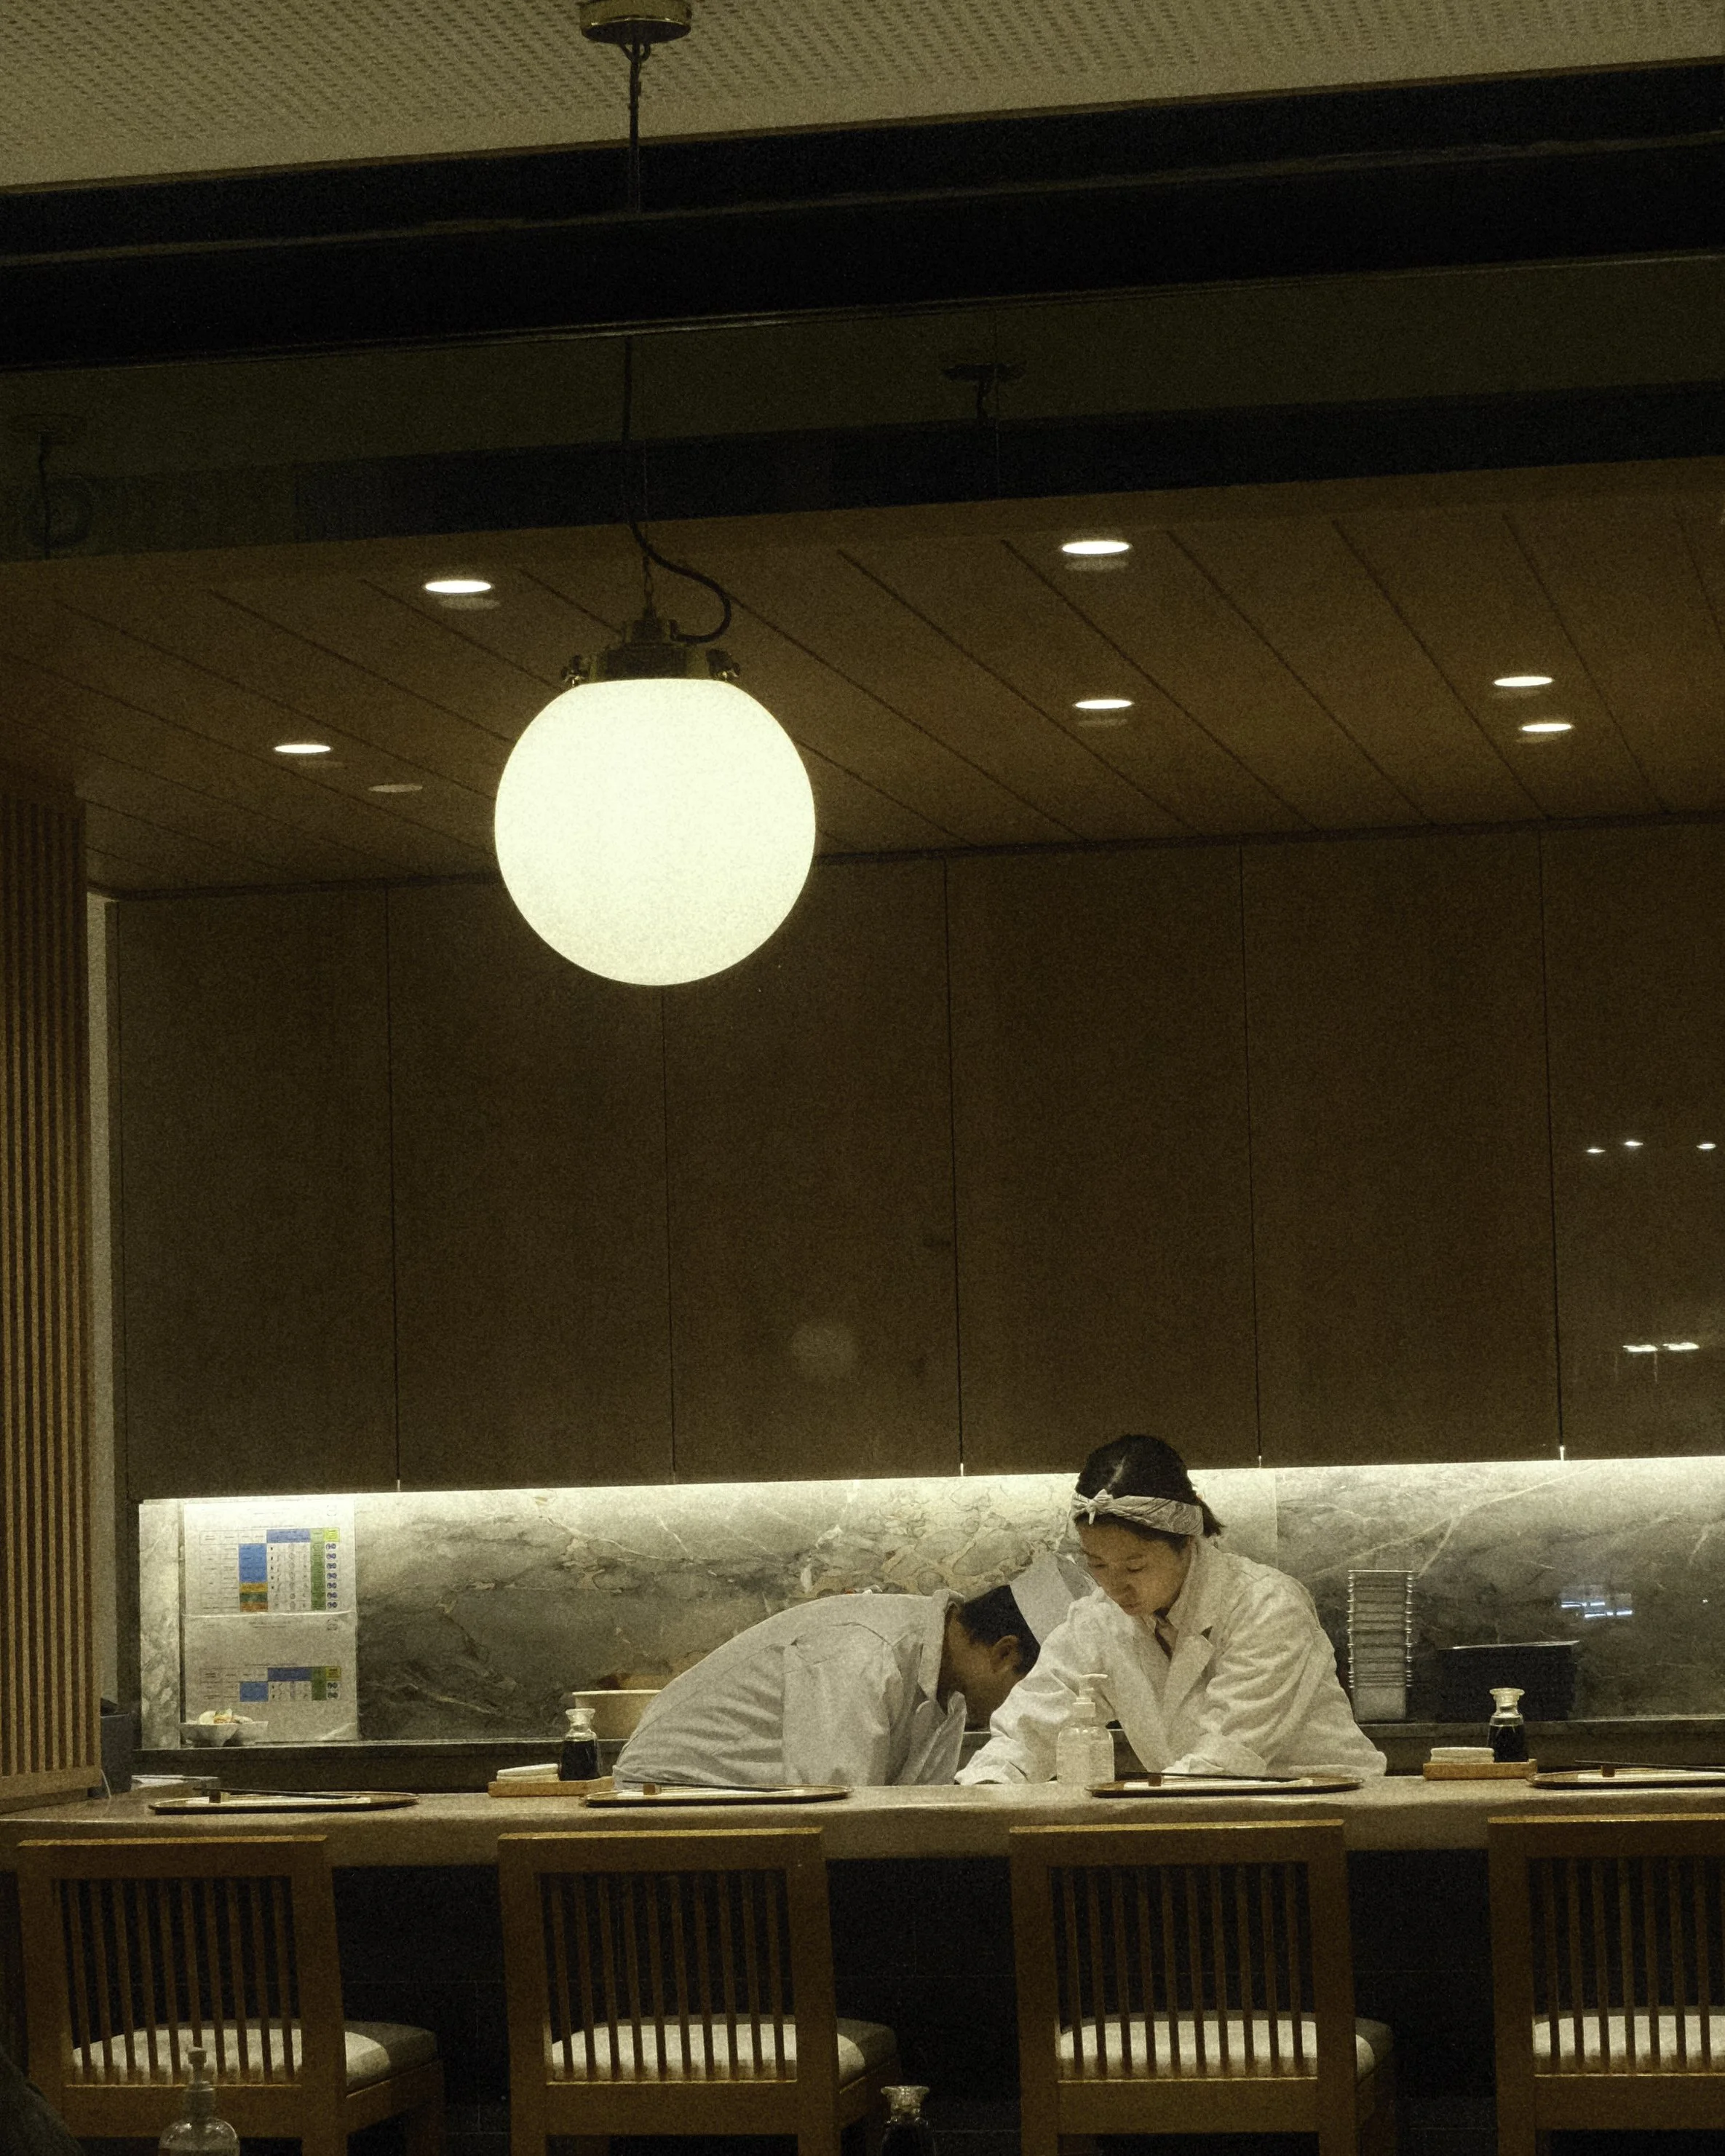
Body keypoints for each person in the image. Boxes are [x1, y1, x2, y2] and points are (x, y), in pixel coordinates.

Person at [958, 1435, 1385, 1783]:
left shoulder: (1268, 1606)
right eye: (1098, 1565)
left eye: (1135, 1565)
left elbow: (1227, 1756)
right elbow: (1033, 1724)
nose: (1115, 1585)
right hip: (1197, 1820)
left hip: (1326, 1822)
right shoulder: (1097, 1620)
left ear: (1186, 1542)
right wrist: (990, 1785)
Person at [615, 1550, 1087, 1790]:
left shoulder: (949, 1693)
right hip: (671, 1805)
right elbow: (836, 1815)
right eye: (1036, 1690)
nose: (1034, 1713)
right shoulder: (867, 1653)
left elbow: (914, 1825)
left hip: (759, 1819)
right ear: (1005, 1654)